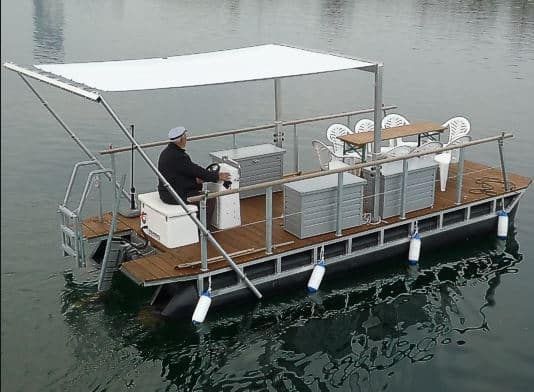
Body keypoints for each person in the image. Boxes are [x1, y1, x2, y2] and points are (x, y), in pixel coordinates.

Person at [158, 126, 230, 225]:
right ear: (181, 140)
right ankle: (203, 230)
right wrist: (216, 176)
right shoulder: (179, 157)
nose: (186, 139)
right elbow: (195, 170)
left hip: (167, 191)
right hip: (174, 195)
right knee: (210, 199)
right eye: (185, 137)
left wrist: (195, 180)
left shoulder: (167, 152)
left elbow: (182, 173)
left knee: (200, 189)